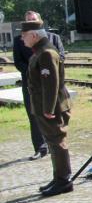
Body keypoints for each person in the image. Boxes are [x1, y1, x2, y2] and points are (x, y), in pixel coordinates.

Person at [20, 20, 72, 196]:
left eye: (24, 35)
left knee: (57, 142)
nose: (22, 39)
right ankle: (58, 177)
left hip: (52, 107)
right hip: (45, 106)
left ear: (34, 35)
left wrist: (48, 109)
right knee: (52, 142)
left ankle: (64, 180)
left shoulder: (46, 53)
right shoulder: (40, 51)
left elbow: (51, 84)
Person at [13, 11, 65, 160]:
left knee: (55, 116)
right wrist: (34, 73)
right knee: (34, 116)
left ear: (40, 21)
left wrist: (45, 72)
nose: (30, 22)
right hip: (32, 86)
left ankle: (55, 146)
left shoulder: (53, 38)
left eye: (33, 19)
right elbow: (18, 62)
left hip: (53, 85)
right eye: (28, 20)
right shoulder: (19, 40)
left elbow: (60, 57)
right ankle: (40, 148)